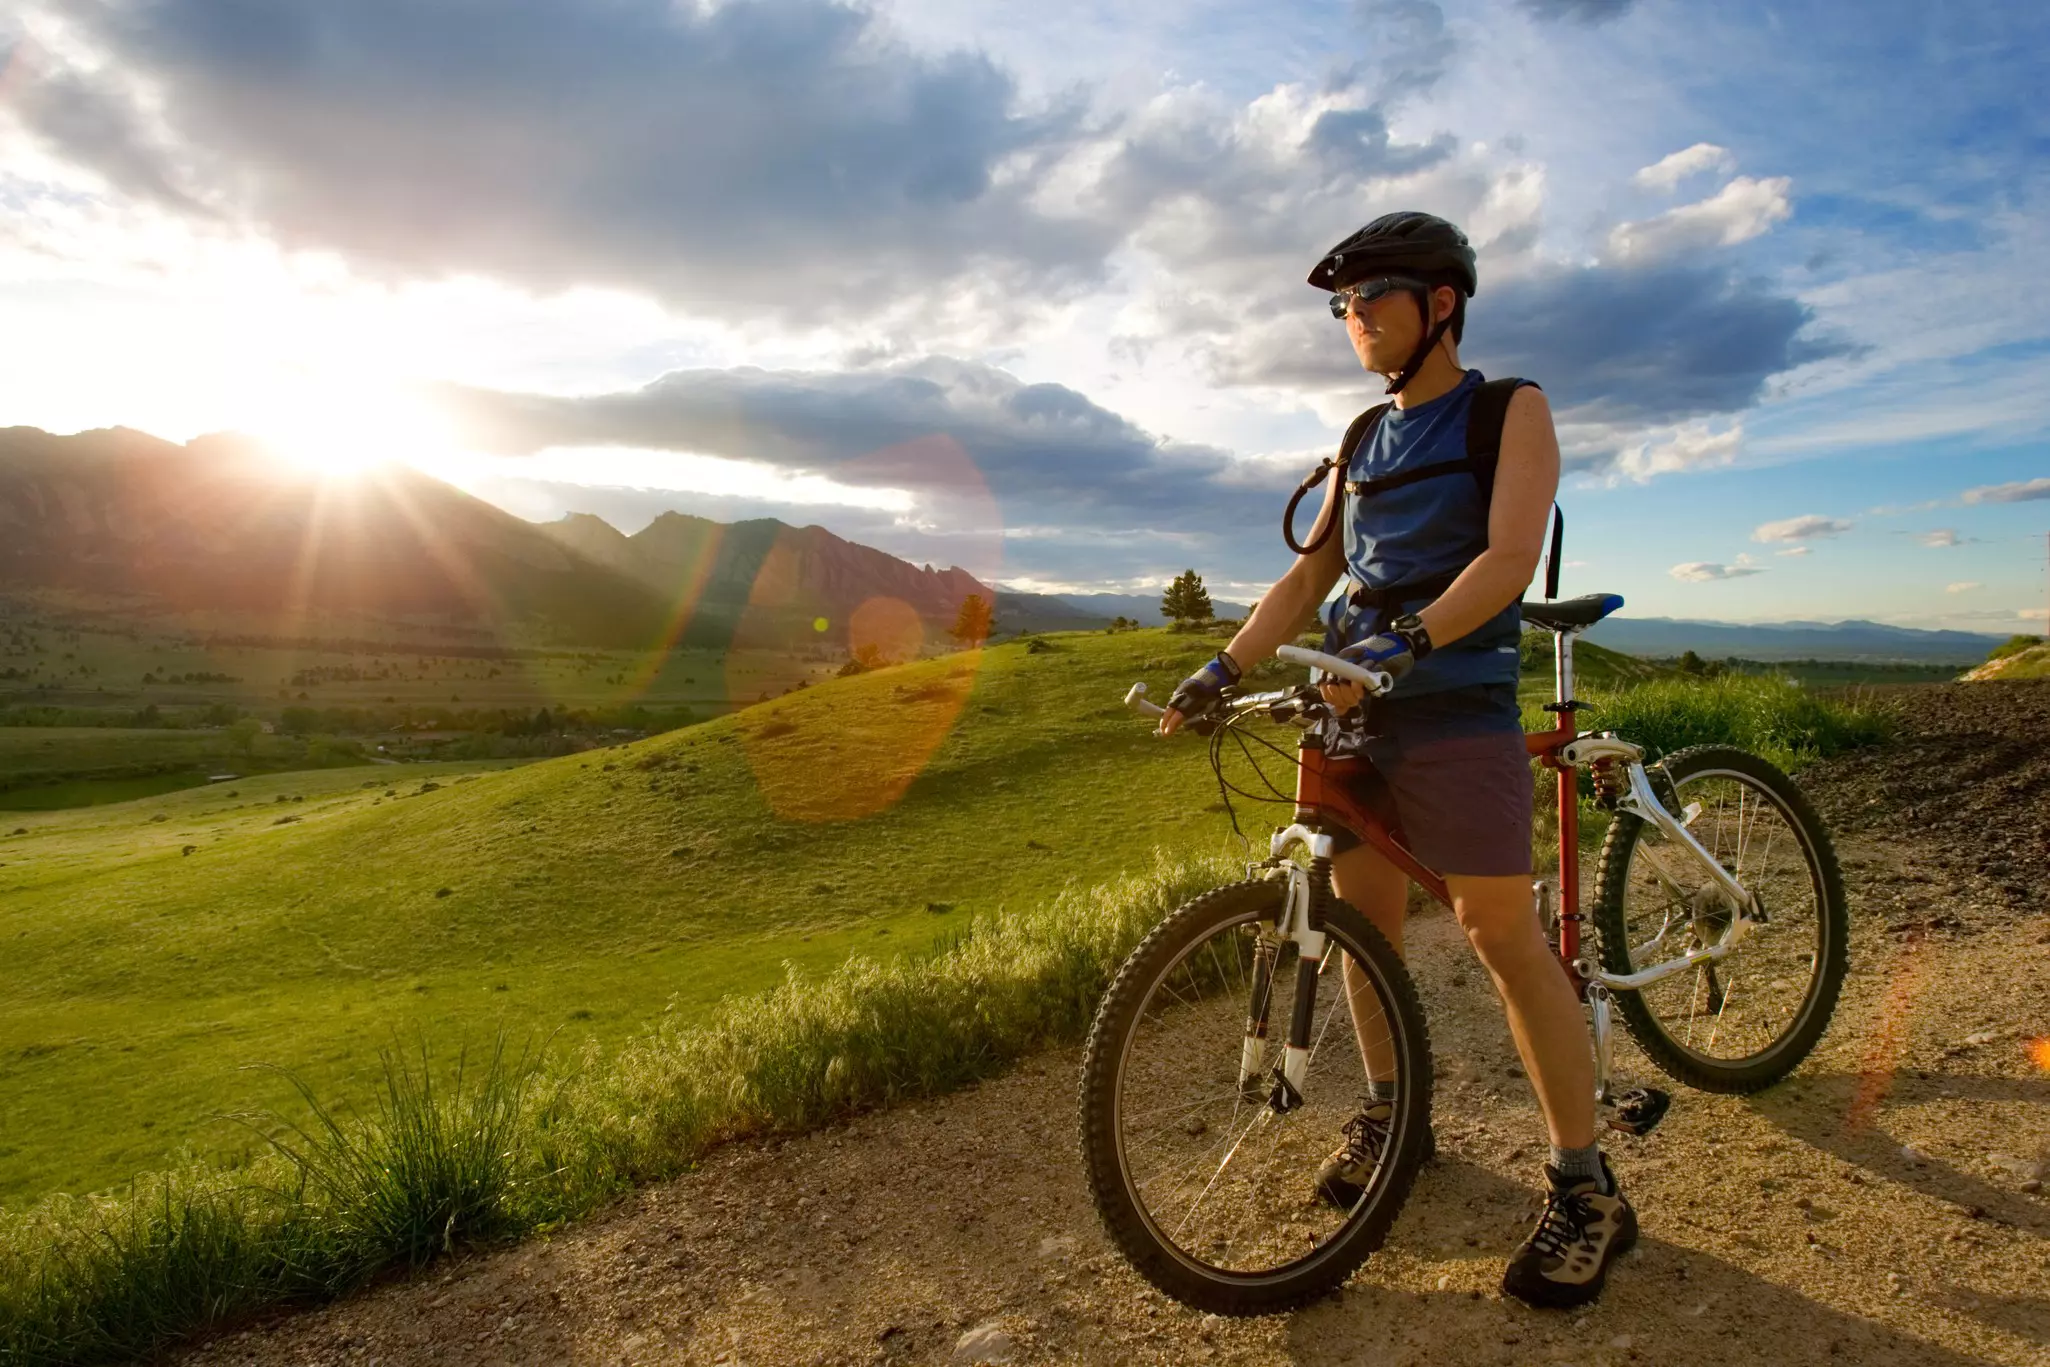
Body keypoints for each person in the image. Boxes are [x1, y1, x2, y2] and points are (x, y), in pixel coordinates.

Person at [1157, 211, 1634, 1310]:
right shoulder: (1364, 436)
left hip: (1453, 706)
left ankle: (1585, 1182)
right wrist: (1220, 668)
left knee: (1498, 931)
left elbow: (1508, 557)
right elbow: (1306, 579)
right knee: (1363, 935)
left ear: (1442, 305)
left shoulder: (1509, 410)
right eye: (1342, 303)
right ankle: (1395, 1115)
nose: (1352, 317)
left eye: (1371, 297)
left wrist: (1408, 640)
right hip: (1350, 715)